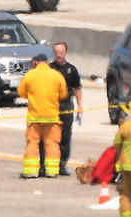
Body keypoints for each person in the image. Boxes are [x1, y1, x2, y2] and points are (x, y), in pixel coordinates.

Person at [16, 54, 68, 178]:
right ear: (47, 63)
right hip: (52, 117)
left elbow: (21, 93)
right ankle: (52, 171)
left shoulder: (29, 75)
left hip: (34, 118)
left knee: (32, 144)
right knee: (52, 144)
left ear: (35, 63)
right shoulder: (57, 76)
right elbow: (63, 94)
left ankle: (31, 171)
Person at [50, 42, 83, 176]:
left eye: (61, 52)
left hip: (66, 105)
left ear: (66, 53)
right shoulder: (50, 68)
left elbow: (77, 88)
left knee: (65, 136)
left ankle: (62, 164)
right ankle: (50, 162)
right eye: (57, 52)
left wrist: (80, 106)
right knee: (51, 135)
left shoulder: (71, 69)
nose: (59, 55)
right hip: (52, 105)